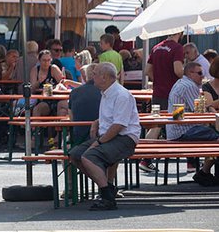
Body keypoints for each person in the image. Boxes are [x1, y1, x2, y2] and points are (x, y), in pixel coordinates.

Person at [68, 62, 140, 211]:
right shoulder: (106, 92)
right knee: (75, 154)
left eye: (95, 74)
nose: (92, 77)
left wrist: (99, 141)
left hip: (124, 138)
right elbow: (112, 118)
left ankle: (107, 197)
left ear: (105, 77)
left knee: (89, 157)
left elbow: (119, 125)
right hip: (111, 135)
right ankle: (108, 188)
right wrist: (97, 122)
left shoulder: (121, 95)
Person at [166, 61, 218, 187]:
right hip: (183, 130)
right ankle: (204, 172)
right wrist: (210, 110)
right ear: (190, 73)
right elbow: (199, 112)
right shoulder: (190, 86)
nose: (203, 76)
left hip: (176, 128)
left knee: (214, 137)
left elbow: (182, 113)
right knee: (216, 140)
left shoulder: (180, 83)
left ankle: (204, 172)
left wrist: (209, 109)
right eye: (200, 73)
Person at [145, 31, 185, 172]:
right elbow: (178, 70)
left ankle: (146, 158)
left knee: (156, 125)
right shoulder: (178, 48)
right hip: (175, 95)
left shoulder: (156, 47)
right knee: (179, 121)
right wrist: (188, 75)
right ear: (180, 32)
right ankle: (190, 160)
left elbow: (147, 70)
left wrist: (158, 80)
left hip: (158, 92)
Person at [66, 64, 101, 145]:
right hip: (100, 137)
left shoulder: (74, 92)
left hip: (78, 137)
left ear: (86, 76)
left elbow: (71, 117)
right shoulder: (105, 92)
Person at [29, 49, 64, 117]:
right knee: (34, 109)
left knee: (37, 109)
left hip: (53, 99)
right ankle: (35, 127)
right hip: (39, 99)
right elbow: (32, 89)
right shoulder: (35, 70)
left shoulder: (53, 69)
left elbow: (62, 83)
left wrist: (54, 88)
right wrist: (39, 82)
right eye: (44, 60)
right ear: (39, 60)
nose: (46, 63)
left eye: (48, 60)